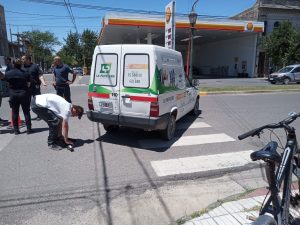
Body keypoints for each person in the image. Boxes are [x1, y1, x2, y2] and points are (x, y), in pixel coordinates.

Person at [4, 59, 32, 134]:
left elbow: (7, 84)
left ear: (13, 64)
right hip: (24, 93)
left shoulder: (8, 73)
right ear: (21, 65)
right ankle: (29, 129)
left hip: (13, 94)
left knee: (15, 112)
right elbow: (29, 84)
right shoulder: (25, 73)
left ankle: (16, 130)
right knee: (26, 112)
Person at [21, 55, 47, 120]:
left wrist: (43, 83)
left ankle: (39, 115)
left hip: (35, 87)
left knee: (37, 101)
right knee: (26, 102)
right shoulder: (21, 67)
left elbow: (40, 75)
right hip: (26, 88)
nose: (22, 60)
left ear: (28, 60)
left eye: (23, 59)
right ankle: (27, 116)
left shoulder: (35, 66)